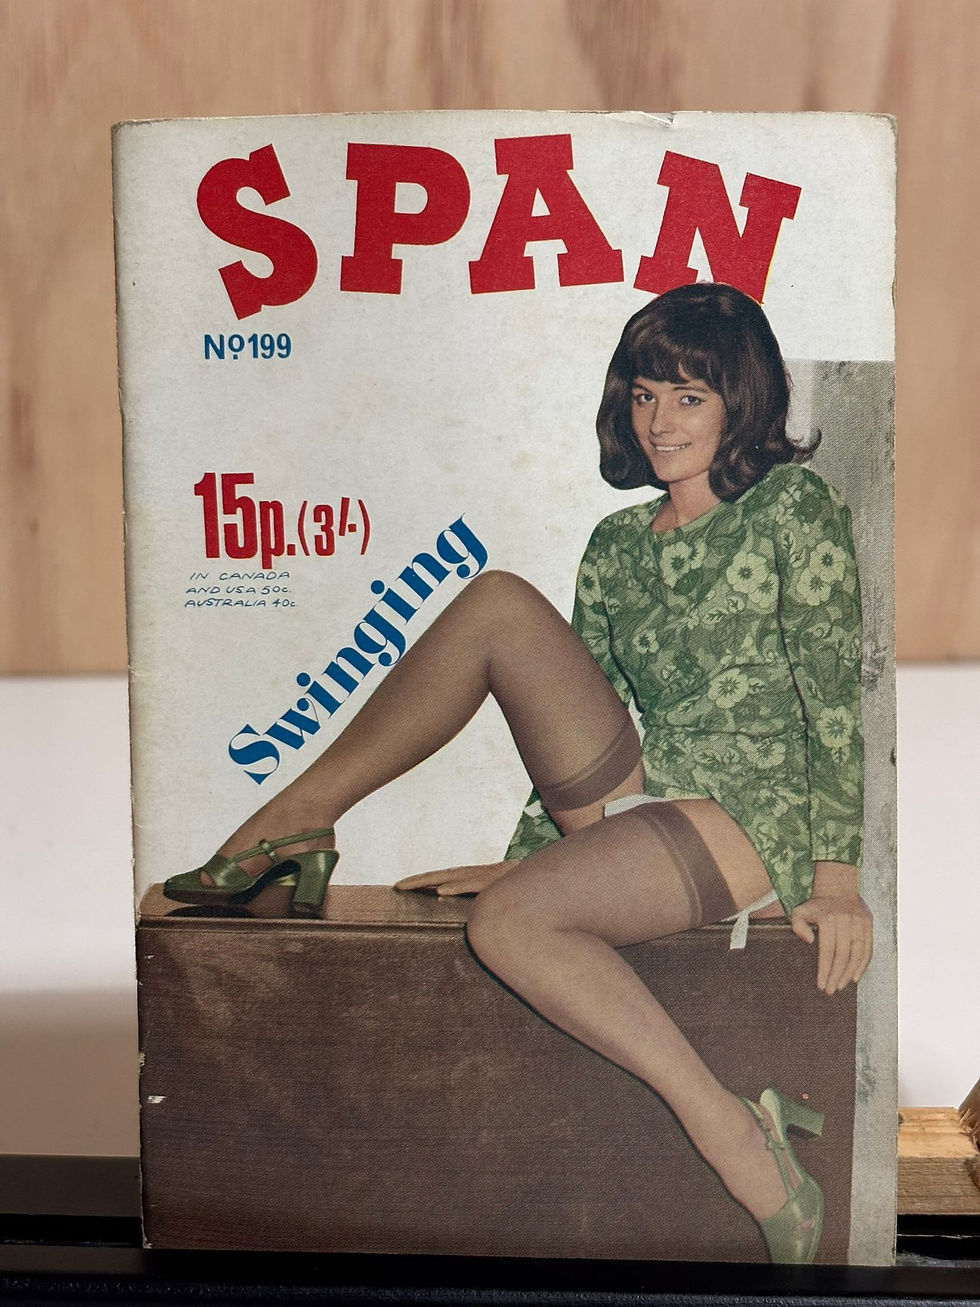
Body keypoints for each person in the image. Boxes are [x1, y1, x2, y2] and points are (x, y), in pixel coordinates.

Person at [164, 282, 871, 1264]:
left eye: (688, 396)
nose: (659, 421)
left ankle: (734, 1132)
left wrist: (838, 881)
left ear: (740, 403)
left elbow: (832, 699)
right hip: (647, 799)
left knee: (510, 924)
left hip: (752, 815)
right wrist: (532, 854)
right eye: (643, 394)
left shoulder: (793, 506)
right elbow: (578, 733)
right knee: (496, 603)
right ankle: (300, 815)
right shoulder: (616, 546)